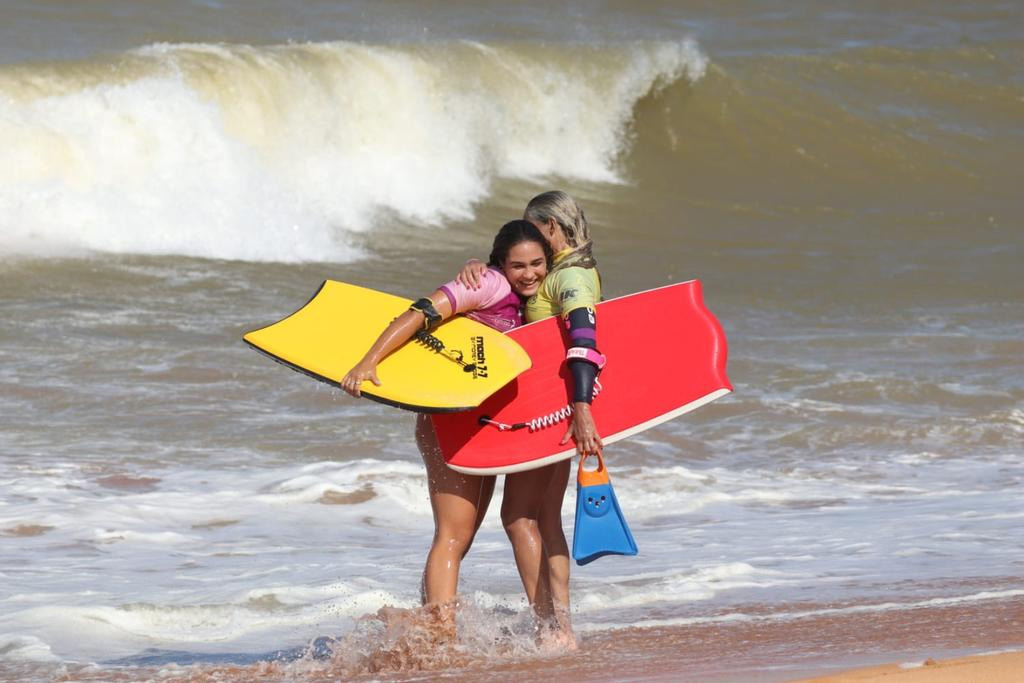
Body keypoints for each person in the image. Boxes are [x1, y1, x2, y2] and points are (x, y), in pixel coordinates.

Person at [340, 220, 553, 634]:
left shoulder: (536, 294)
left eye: (537, 263)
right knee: (453, 535)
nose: (529, 273)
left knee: (463, 535)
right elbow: (420, 313)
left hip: (488, 423)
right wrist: (369, 361)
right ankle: (439, 636)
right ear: (500, 265)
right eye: (518, 266)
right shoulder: (488, 284)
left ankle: (428, 625)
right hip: (450, 422)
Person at [457, 190, 603, 646]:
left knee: (520, 517)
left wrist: (581, 409)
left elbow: (585, 339)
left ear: (552, 229)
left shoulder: (572, 278)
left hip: (556, 409)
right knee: (542, 517)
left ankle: (551, 628)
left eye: (532, 230)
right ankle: (562, 628)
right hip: (551, 407)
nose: (527, 246)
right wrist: (478, 266)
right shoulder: (560, 272)